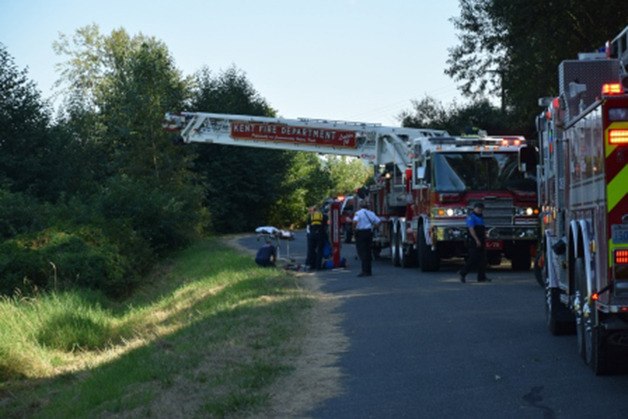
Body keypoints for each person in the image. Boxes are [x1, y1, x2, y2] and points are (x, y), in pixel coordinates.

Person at [459, 202, 490, 283]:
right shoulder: (471, 217)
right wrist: (476, 240)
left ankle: (481, 277)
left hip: (481, 239)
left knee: (483, 259)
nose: (479, 209)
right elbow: (471, 230)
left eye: (481, 208)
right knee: (473, 258)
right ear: (474, 208)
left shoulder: (480, 217)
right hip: (473, 240)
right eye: (478, 208)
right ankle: (463, 272)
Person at [352, 200, 381, 277]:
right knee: (368, 252)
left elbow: (355, 222)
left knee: (362, 252)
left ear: (360, 206)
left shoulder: (358, 213)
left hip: (361, 233)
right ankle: (369, 270)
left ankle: (364, 271)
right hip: (369, 233)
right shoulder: (371, 213)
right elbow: (378, 221)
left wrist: (354, 229)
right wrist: (374, 227)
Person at [306, 205, 327, 270]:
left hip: (312, 235)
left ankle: (311, 265)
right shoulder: (323, 216)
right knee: (319, 250)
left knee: (311, 250)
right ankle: (318, 267)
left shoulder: (310, 216)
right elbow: (327, 224)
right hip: (320, 234)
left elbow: (308, 225)